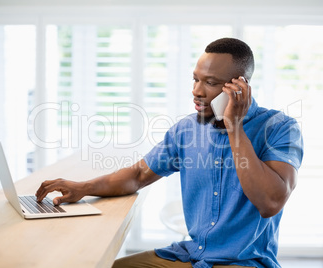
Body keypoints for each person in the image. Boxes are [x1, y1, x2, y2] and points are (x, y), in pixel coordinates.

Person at [36, 37, 303, 268]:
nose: (196, 91)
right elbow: (139, 174)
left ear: (239, 87)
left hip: (244, 262)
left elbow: (270, 203)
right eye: (196, 79)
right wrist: (83, 187)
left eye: (210, 82)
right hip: (192, 256)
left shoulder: (279, 128)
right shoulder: (186, 130)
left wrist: (234, 126)